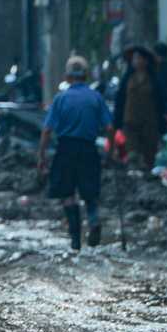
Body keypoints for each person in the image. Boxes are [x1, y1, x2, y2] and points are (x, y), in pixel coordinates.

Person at [38, 55, 115, 250]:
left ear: (66, 76)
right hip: (89, 148)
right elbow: (110, 127)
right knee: (89, 190)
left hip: (66, 149)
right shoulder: (96, 97)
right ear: (86, 75)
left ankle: (75, 239)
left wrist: (41, 157)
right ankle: (94, 220)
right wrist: (112, 150)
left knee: (68, 192)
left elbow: (47, 130)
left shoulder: (61, 98)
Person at [112, 46, 160, 170]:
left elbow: (161, 99)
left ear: (145, 61)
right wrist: (117, 121)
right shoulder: (128, 78)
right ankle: (132, 174)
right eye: (133, 58)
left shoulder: (153, 79)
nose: (135, 61)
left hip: (149, 122)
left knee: (149, 154)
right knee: (132, 152)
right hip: (130, 121)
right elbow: (120, 99)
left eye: (138, 58)